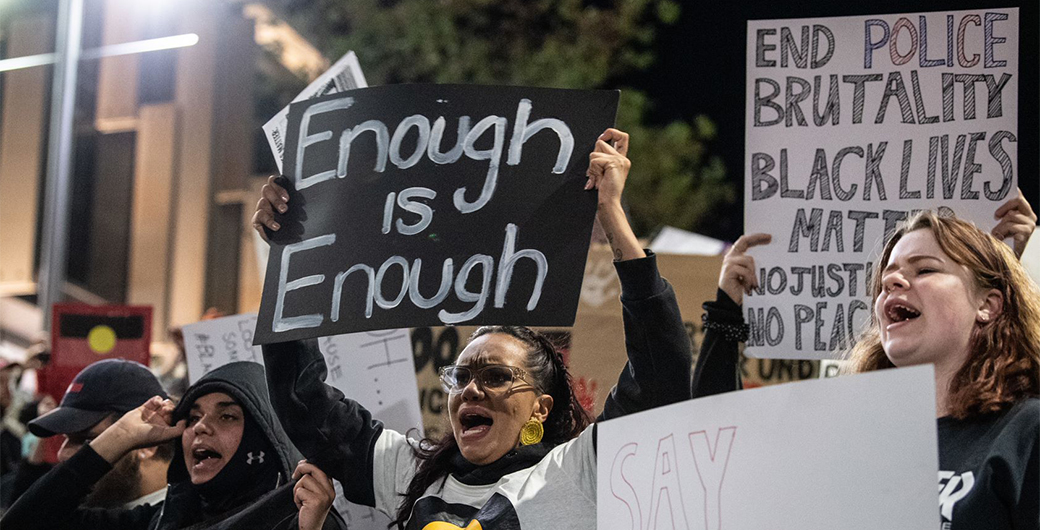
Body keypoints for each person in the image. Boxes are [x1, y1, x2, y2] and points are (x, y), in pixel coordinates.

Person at [252, 128, 694, 529]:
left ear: (540, 408)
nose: (471, 391)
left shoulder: (576, 471)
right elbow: (303, 401)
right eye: (461, 377)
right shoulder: (411, 474)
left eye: (496, 376)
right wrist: (291, 254)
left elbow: (661, 377)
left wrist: (611, 214)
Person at [694, 192, 1038, 530]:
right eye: (888, 276)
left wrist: (1033, 254)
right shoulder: (849, 440)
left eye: (925, 269)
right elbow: (720, 461)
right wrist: (727, 312)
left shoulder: (1024, 432)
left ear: (988, 305)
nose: (891, 281)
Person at [1, 361, 346, 530]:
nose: (202, 428)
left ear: (263, 433)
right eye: (193, 417)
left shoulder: (303, 519)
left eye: (226, 417)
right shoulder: (162, 521)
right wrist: (121, 438)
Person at [13, 359, 173, 509]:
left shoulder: (184, 519)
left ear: (148, 445)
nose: (63, 454)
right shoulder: (103, 514)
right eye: (66, 439)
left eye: (87, 441)